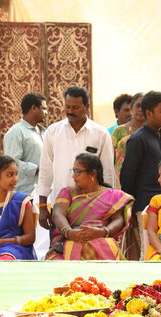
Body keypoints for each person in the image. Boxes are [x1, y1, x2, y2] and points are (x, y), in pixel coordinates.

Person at [37, 85, 115, 230]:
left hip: (92, 206)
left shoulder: (101, 134)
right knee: (58, 249)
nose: (70, 111)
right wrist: (42, 207)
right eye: (67, 107)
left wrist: (108, 207)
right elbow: (46, 170)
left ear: (87, 106)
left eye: (76, 107)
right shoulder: (53, 132)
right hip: (60, 206)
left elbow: (107, 173)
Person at [46, 153, 133, 260]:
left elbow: (118, 220)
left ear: (93, 174)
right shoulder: (68, 192)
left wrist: (103, 232)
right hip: (69, 240)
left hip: (102, 239)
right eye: (73, 171)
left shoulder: (114, 195)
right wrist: (68, 232)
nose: (73, 176)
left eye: (78, 172)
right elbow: (58, 214)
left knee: (105, 246)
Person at [120, 90, 161, 260]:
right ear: (149, 113)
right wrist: (132, 210)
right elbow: (127, 177)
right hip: (145, 206)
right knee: (147, 252)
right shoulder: (137, 139)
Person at [3, 92, 48, 195]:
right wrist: (36, 169)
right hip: (24, 192)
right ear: (34, 108)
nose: (46, 112)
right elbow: (12, 163)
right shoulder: (16, 132)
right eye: (44, 108)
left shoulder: (44, 132)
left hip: (43, 191)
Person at [111, 93, 144, 188]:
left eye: (144, 106)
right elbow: (110, 157)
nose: (141, 109)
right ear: (131, 108)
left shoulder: (153, 131)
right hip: (120, 180)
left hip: (144, 181)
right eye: (138, 106)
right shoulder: (119, 131)